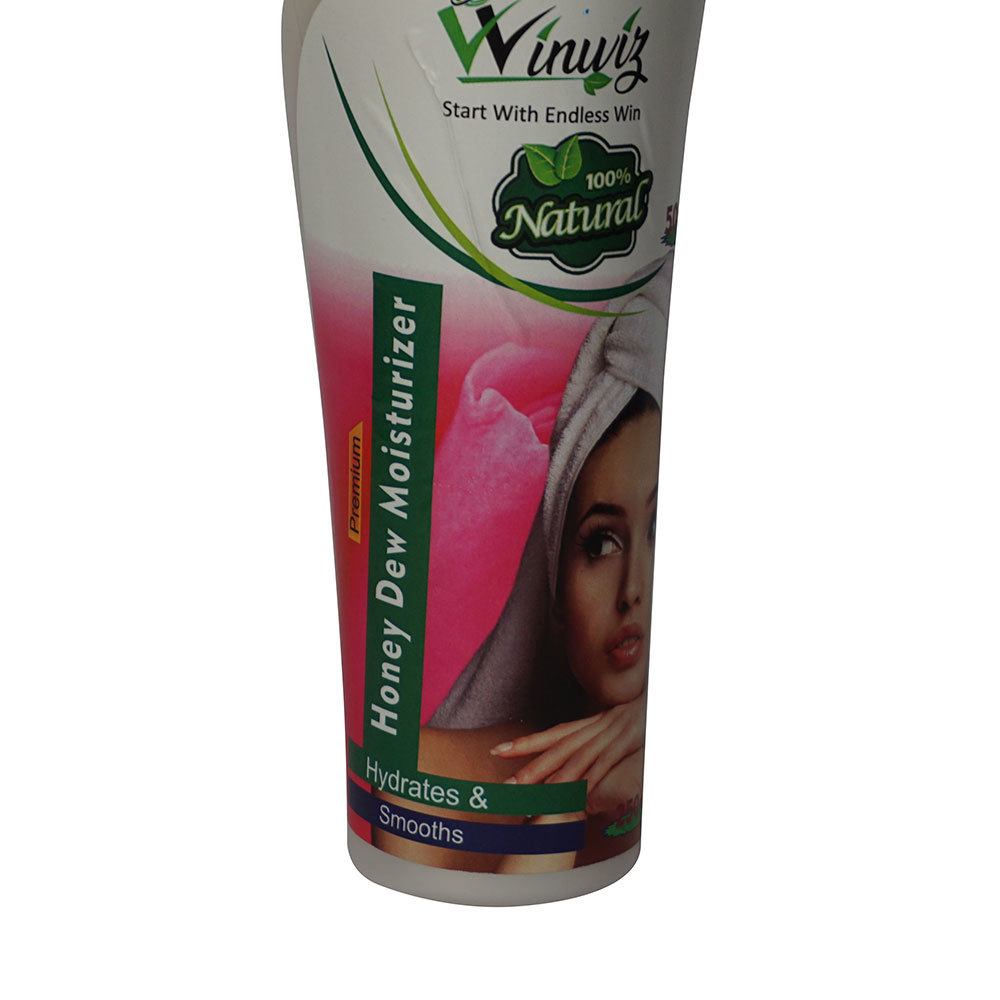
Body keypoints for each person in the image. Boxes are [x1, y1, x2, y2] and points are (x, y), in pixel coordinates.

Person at [374, 258, 672, 871]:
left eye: (657, 528)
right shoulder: (424, 778)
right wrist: (571, 799)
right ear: (555, 586)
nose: (634, 590)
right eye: (602, 543)